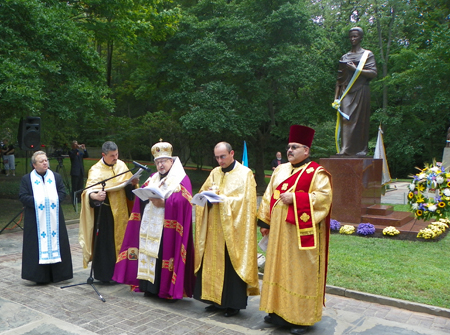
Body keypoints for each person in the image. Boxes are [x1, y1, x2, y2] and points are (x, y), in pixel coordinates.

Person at [257, 125, 332, 335]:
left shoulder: (317, 173)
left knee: (299, 273)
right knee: (277, 269)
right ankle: (277, 312)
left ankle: (301, 318)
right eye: (289, 147)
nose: (290, 150)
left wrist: (297, 198)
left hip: (300, 235)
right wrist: (265, 222)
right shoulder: (280, 170)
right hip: (279, 231)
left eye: (295, 147)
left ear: (306, 150)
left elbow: (324, 199)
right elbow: (269, 194)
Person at [113, 141, 195, 301]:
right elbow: (142, 195)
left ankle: (163, 289)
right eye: (157, 162)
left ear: (171, 161)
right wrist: (144, 197)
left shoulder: (181, 179)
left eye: (163, 161)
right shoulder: (152, 178)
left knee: (162, 255)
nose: (160, 165)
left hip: (167, 228)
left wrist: (165, 203)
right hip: (149, 226)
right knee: (149, 255)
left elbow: (185, 201)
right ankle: (148, 287)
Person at [194, 142, 259, 317]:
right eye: (216, 157)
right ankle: (214, 301)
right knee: (211, 263)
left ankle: (232, 304)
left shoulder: (245, 174)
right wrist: (205, 197)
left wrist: (223, 199)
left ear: (232, 153)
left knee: (230, 266)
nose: (219, 160)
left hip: (232, 230)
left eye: (222, 156)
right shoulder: (214, 172)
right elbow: (202, 192)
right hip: (213, 227)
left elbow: (246, 202)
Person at [79, 141, 138, 282]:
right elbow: (88, 192)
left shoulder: (121, 165)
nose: (116, 158)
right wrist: (95, 196)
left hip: (122, 211)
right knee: (107, 245)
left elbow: (129, 189)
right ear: (103, 155)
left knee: (124, 240)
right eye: (112, 155)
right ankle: (107, 275)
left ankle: (124, 273)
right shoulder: (96, 170)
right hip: (105, 213)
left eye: (117, 154)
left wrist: (132, 184)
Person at [19, 151, 73, 283]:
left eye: (46, 160)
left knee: (58, 242)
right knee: (36, 245)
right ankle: (39, 276)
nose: (45, 163)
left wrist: (52, 201)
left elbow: (62, 192)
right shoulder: (27, 179)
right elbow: (23, 196)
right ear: (34, 165)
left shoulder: (56, 177)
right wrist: (41, 202)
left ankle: (59, 275)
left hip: (54, 217)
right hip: (35, 218)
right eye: (41, 161)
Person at [334, 27, 377, 156]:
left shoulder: (367, 55)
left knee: (360, 121)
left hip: (361, 91)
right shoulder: (345, 57)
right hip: (346, 92)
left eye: (355, 36)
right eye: (351, 36)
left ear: (361, 38)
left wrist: (356, 70)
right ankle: (345, 149)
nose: (353, 39)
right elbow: (339, 80)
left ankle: (361, 150)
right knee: (346, 118)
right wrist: (336, 98)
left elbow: (373, 73)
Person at [68, 140, 89, 205]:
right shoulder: (71, 152)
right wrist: (76, 148)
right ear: (72, 146)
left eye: (77, 144)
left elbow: (86, 155)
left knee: (80, 186)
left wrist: (84, 149)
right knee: (75, 186)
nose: (76, 145)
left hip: (80, 171)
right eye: (75, 144)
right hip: (75, 172)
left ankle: (80, 199)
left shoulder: (79, 153)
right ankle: (74, 199)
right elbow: (73, 156)